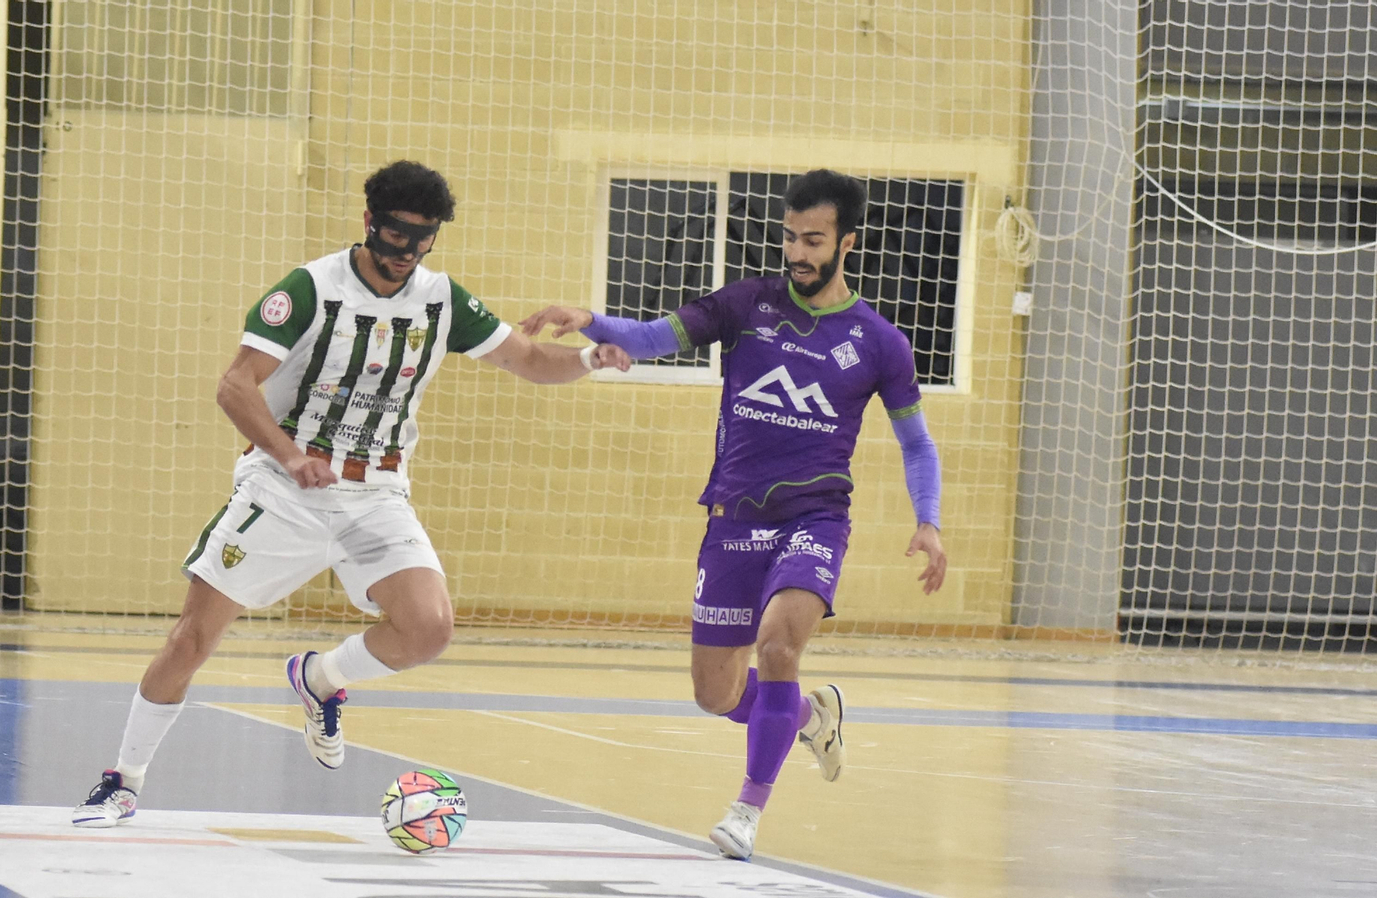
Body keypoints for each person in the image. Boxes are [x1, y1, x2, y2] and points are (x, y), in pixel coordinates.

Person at [72, 160, 632, 827]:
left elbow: (531, 361)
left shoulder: (442, 298)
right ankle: (123, 781)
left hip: (377, 494)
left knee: (429, 629)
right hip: (283, 491)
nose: (406, 253)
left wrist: (595, 358)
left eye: (422, 240)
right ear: (370, 223)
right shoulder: (310, 289)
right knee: (194, 638)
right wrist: (289, 456)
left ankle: (320, 680)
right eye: (396, 236)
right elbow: (234, 384)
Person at [521, 169, 947, 860]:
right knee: (715, 694)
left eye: (814, 240)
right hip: (732, 519)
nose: (799, 253)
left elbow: (916, 440)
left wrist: (927, 519)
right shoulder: (749, 303)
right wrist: (591, 321)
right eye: (790, 238)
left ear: (848, 244)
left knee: (780, 647)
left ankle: (747, 810)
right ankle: (809, 717)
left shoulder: (879, 343)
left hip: (814, 516)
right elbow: (656, 335)